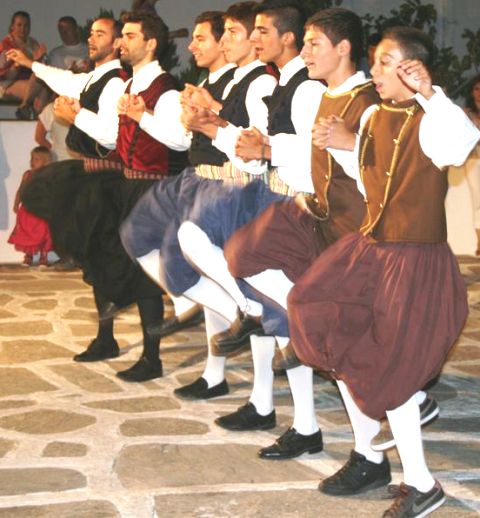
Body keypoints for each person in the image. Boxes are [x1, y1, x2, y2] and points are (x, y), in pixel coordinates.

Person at [287, 27, 479, 516]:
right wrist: (341, 145)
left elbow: (462, 144)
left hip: (415, 261)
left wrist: (431, 93)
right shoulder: (374, 114)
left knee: (389, 360)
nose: (375, 71)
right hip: (372, 249)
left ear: (413, 68)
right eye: (374, 62)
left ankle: (420, 482)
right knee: (318, 313)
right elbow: (368, 176)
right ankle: (380, 444)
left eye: (387, 62)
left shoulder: (433, 118)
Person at [176, 0, 327, 449]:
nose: (254, 38)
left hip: (291, 203)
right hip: (272, 195)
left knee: (292, 315)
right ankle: (275, 407)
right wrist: (216, 128)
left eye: (261, 31)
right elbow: (254, 151)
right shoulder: (284, 82)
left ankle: (309, 422)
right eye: (253, 30)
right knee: (274, 311)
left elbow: (313, 156)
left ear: (287, 38)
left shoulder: (304, 88)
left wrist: (252, 143)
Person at [119, 2, 277, 387]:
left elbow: (256, 144)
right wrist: (187, 115)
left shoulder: (259, 82)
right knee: (142, 236)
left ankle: (255, 379)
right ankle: (217, 359)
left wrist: (211, 113)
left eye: (208, 37)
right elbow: (186, 139)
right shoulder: (224, 82)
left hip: (233, 186)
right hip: (202, 179)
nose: (195, 46)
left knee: (242, 280)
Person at [16, 16, 89, 120]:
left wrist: (85, 68)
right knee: (40, 78)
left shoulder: (88, 50)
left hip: (82, 86)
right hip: (58, 88)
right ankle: (26, 107)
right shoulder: (55, 53)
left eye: (67, 30)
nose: (64, 33)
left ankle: (36, 114)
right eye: (61, 31)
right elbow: (51, 74)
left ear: (76, 29)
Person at [8, 146, 54, 267]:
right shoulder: (27, 175)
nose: (32, 162)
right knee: (27, 233)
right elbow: (21, 190)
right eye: (32, 158)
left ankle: (44, 256)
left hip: (42, 210)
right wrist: (16, 203)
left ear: (47, 162)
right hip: (27, 210)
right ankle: (28, 256)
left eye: (37, 159)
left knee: (45, 232)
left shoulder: (50, 175)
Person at [0, 11, 44, 106]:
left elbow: (41, 68)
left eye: (26, 25)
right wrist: (16, 65)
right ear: (12, 26)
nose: (23, 29)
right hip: (7, 84)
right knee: (39, 92)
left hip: (32, 82)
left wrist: (38, 61)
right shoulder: (5, 46)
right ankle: (24, 107)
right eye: (19, 25)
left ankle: (27, 109)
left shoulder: (33, 44)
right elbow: (5, 77)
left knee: (45, 89)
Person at [462, 74, 480, 254]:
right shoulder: (466, 113)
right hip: (474, 159)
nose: (479, 93)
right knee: (478, 199)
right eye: (476, 89)